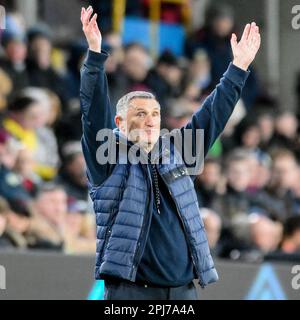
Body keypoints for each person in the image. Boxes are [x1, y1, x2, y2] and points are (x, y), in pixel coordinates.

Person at [80, 6, 261, 300]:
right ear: (120, 123)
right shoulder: (108, 157)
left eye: (155, 113)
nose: (150, 120)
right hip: (131, 293)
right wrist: (95, 58)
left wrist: (237, 68)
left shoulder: (178, 151)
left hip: (183, 292)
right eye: (140, 114)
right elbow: (93, 112)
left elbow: (212, 115)